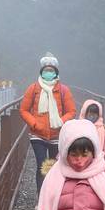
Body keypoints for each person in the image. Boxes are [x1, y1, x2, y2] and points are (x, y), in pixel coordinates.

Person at [19, 53, 77, 193]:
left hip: (57, 135)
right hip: (37, 135)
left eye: (51, 71)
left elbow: (71, 111)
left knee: (55, 167)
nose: (49, 73)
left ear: (56, 72)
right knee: (41, 165)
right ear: (41, 72)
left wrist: (60, 122)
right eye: (46, 70)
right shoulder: (33, 89)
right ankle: (41, 198)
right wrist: (34, 124)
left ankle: (54, 196)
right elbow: (24, 110)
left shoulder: (63, 90)